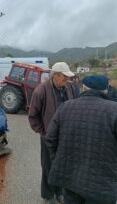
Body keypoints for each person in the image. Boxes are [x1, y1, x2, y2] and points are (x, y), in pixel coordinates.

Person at [45, 74, 117, 204]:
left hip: (70, 180)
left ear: (83, 88)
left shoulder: (65, 107)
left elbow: (50, 138)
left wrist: (58, 158)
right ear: (106, 90)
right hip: (102, 185)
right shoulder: (114, 111)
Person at [28, 62, 76, 204]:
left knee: (62, 165)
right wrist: (43, 132)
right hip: (49, 137)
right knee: (48, 166)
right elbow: (33, 116)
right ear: (55, 75)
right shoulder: (41, 91)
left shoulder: (69, 89)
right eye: (64, 77)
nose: (67, 80)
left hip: (66, 136)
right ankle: (48, 195)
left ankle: (59, 192)